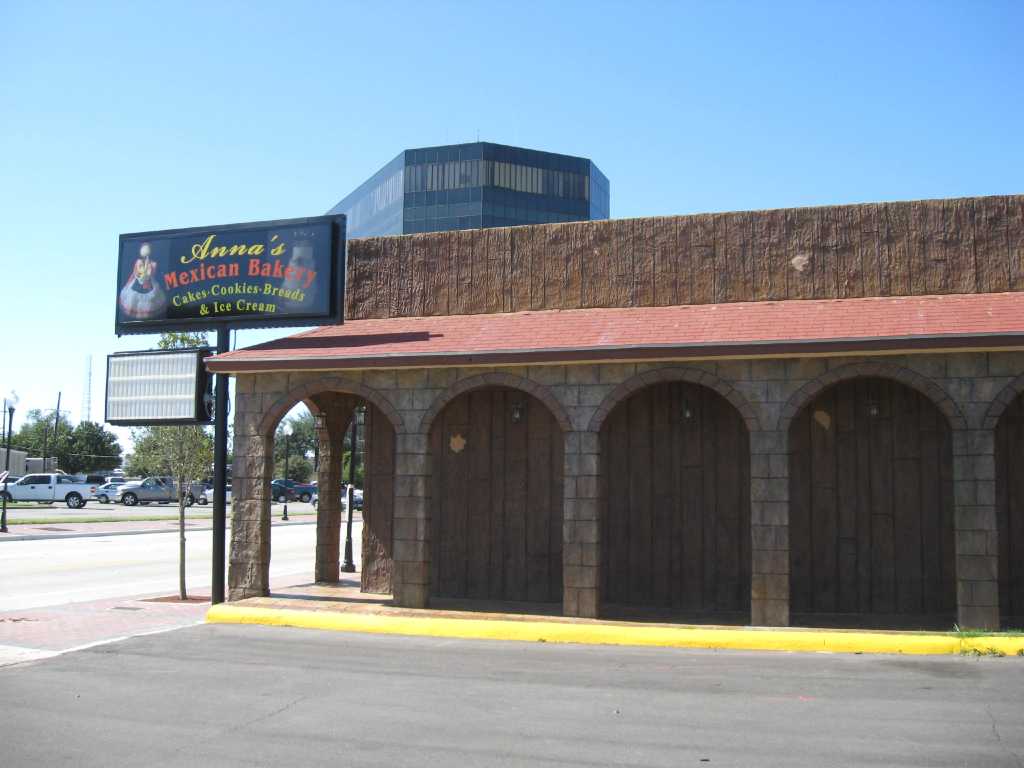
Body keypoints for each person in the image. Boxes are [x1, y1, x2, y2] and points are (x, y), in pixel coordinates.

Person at [118, 242, 168, 319]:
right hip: (137, 284)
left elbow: (152, 274)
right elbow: (135, 272)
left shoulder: (153, 264)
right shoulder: (138, 262)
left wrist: (147, 273)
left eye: (148, 249)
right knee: (133, 301)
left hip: (149, 285)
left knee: (149, 303)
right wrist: (139, 276)